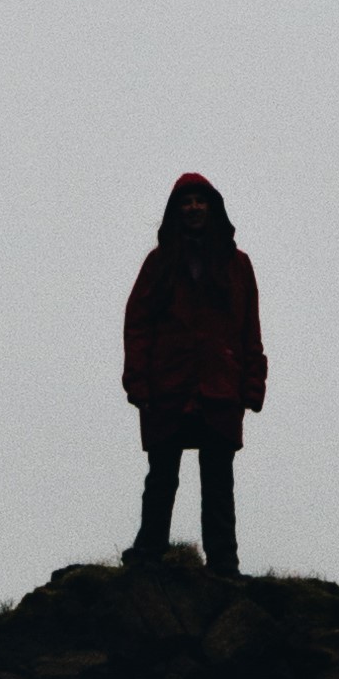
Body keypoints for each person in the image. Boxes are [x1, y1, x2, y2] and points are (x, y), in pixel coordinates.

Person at [121, 173, 266, 574]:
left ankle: (223, 563)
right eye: (186, 202)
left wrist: (252, 383)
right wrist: (138, 380)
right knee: (162, 475)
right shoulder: (158, 263)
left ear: (213, 207)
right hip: (168, 385)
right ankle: (149, 552)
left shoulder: (237, 266)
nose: (194, 208)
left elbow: (249, 327)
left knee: (218, 481)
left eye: (201, 201)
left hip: (220, 386)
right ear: (175, 211)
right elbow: (138, 324)